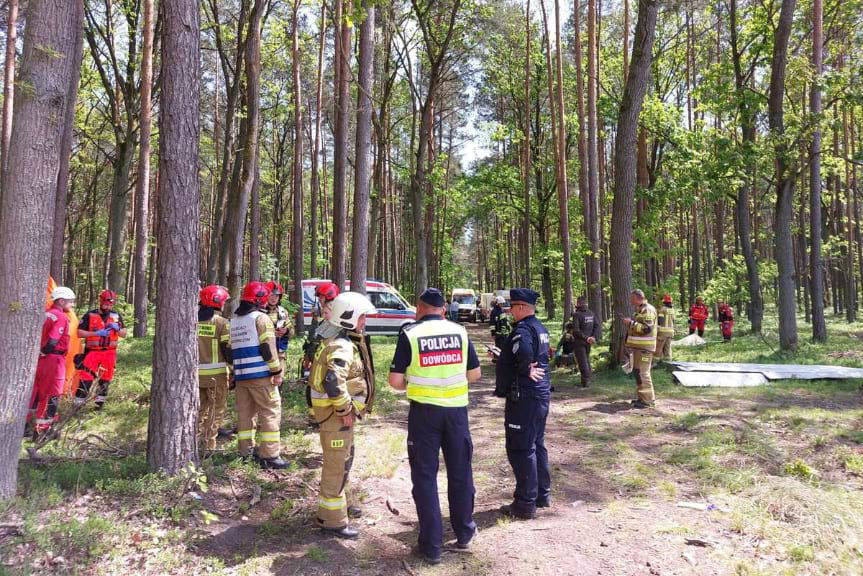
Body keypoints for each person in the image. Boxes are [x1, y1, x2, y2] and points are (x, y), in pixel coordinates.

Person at [388, 288, 481, 564]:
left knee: (425, 478)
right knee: (461, 472)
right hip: (456, 414)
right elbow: (475, 374)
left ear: (420, 307)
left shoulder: (410, 334)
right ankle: (464, 532)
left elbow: (395, 381)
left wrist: (415, 383)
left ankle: (431, 546)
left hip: (424, 415)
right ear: (443, 309)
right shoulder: (460, 332)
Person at [308, 292, 376, 539]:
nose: (364, 321)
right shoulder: (341, 346)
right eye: (362, 317)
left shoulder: (340, 342)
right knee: (336, 465)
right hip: (336, 418)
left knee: (344, 460)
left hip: (337, 418)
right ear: (348, 318)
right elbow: (332, 382)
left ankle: (339, 507)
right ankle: (332, 520)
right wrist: (345, 410)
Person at [493, 288, 551, 520]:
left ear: (522, 308)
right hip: (539, 395)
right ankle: (541, 495)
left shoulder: (523, 329)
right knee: (537, 444)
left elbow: (525, 352)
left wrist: (525, 367)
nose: (510, 312)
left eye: (513, 308)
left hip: (525, 398)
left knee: (521, 448)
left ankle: (525, 503)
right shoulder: (540, 327)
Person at [229, 281, 289, 469]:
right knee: (270, 412)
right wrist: (277, 371)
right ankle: (270, 456)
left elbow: (230, 350)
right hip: (261, 376)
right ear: (260, 299)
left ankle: (245, 452)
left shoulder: (235, 320)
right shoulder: (261, 319)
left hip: (241, 377)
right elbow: (267, 348)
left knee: (246, 415)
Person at [29, 287, 76, 434]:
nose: (72, 305)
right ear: (61, 301)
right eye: (70, 302)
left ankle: (27, 426)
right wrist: (46, 351)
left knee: (37, 392)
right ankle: (44, 430)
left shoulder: (46, 314)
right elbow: (53, 341)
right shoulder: (60, 317)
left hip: (42, 359)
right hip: (53, 359)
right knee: (52, 393)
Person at [75, 290, 127, 410]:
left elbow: (124, 333)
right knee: (86, 378)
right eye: (106, 303)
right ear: (101, 301)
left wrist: (117, 329)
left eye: (110, 304)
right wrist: (95, 333)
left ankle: (98, 406)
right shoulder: (90, 315)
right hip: (92, 352)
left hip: (109, 353)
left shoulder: (116, 316)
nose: (108, 306)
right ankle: (77, 406)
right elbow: (79, 333)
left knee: (105, 379)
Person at [197, 285, 232, 452]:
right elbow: (228, 351)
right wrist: (234, 370)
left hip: (195, 377)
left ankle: (191, 442)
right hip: (216, 377)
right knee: (216, 410)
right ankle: (208, 446)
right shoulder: (222, 323)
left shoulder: (192, 321)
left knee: (198, 410)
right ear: (217, 302)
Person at [623, 289, 658, 409]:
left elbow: (647, 329)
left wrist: (631, 324)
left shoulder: (648, 310)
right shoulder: (639, 310)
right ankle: (641, 398)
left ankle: (648, 401)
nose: (630, 300)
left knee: (643, 373)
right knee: (638, 372)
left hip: (645, 349)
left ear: (638, 298)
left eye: (632, 298)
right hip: (638, 348)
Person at [570, 296, 600, 387]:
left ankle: (585, 381)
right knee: (586, 359)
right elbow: (597, 326)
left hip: (580, 341)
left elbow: (576, 330)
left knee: (582, 361)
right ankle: (587, 379)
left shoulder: (577, 314)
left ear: (579, 303)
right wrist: (593, 337)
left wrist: (587, 338)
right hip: (588, 341)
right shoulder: (591, 313)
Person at [266, 281, 294, 374]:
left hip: (280, 354)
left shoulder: (283, 312)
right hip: (264, 355)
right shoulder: (260, 312)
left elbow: (292, 331)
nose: (274, 298)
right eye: (271, 295)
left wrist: (286, 331)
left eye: (277, 296)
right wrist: (272, 333)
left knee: (279, 380)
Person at [655, 294, 675, 362]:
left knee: (659, 347)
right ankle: (668, 361)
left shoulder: (662, 309)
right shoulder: (672, 310)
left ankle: (657, 362)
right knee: (668, 348)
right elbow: (673, 320)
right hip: (671, 332)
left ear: (664, 302)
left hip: (663, 332)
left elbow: (660, 320)